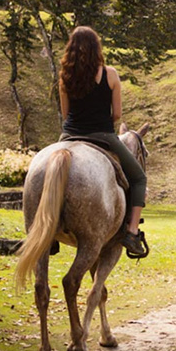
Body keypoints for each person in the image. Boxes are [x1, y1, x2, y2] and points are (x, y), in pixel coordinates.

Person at [58, 26, 148, 257]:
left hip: (69, 136)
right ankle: (131, 232)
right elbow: (117, 115)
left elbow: (66, 114)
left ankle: (47, 229)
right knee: (138, 178)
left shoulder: (65, 76)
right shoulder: (110, 74)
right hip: (102, 136)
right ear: (97, 47)